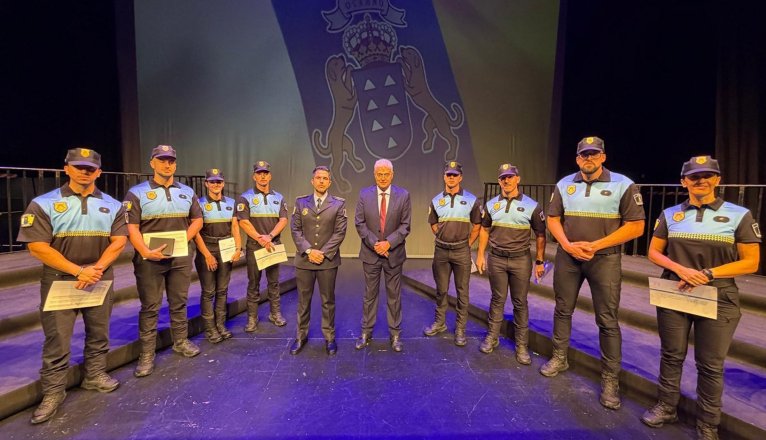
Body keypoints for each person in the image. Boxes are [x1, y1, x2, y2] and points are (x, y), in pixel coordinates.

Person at [640, 156, 760, 440]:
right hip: (675, 290)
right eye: (694, 177)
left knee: (710, 364)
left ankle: (708, 423)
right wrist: (680, 269)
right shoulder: (670, 215)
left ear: (717, 179)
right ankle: (666, 406)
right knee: (671, 355)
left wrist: (708, 273)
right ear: (684, 182)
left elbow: (751, 262)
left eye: (707, 175)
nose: (701, 181)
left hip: (718, 294)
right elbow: (654, 252)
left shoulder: (739, 215)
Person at [18, 147, 127, 424]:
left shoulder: (114, 205)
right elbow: (37, 246)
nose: (84, 172)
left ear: (99, 172)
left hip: (99, 277)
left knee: (99, 332)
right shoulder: (43, 203)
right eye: (79, 167)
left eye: (90, 168)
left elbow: (119, 242)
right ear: (66, 168)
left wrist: (95, 270)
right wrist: (79, 271)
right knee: (57, 339)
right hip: (60, 279)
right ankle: (54, 392)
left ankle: (95, 375)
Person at [540, 136, 645, 411]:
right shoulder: (564, 184)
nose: (589, 158)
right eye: (584, 154)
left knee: (607, 320)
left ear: (603, 157)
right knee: (562, 309)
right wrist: (567, 245)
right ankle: (559, 357)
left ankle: (610, 379)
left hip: (604, 259)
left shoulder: (623, 184)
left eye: (594, 154)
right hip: (568, 257)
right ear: (577, 159)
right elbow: (553, 218)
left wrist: (595, 246)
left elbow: (636, 226)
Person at [124, 145, 204, 378]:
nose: (167, 164)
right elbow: (131, 227)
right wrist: (145, 251)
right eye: (162, 160)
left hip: (180, 256)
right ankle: (147, 354)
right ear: (152, 163)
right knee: (150, 306)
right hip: (149, 258)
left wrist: (182, 240)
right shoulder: (137, 193)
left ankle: (180, 341)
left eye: (171, 161)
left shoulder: (187, 192)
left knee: (179, 301)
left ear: (175, 164)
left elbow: (197, 220)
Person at [476, 163, 546, 364]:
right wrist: (480, 255)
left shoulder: (532, 206)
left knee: (520, 302)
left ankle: (522, 345)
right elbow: (484, 230)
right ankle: (492, 337)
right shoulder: (491, 205)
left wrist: (539, 261)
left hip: (520, 260)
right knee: (497, 299)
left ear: (518, 179)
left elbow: (541, 235)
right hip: (496, 259)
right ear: (499, 181)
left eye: (510, 177)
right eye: (502, 178)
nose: (506, 180)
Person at [289, 166, 348, 355]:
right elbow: (295, 230)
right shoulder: (301, 203)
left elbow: (340, 232)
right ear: (312, 181)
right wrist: (309, 251)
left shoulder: (338, 204)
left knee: (327, 301)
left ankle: (329, 337)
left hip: (327, 261)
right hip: (304, 260)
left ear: (329, 182)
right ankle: (300, 336)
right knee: (303, 301)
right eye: (318, 178)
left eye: (325, 178)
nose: (321, 181)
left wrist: (321, 253)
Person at [354, 159, 411, 352]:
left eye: (386, 174)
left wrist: (388, 243)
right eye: (380, 174)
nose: (383, 177)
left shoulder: (403, 195)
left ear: (392, 175)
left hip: (393, 254)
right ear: (374, 174)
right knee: (369, 295)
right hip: (370, 254)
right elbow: (359, 223)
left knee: (394, 296)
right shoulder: (364, 194)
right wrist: (375, 245)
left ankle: (395, 335)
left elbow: (405, 225)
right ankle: (365, 332)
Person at [423, 161, 481, 346]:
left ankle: (460, 329)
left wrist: (467, 243)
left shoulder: (471, 200)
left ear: (460, 177)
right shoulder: (436, 200)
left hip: (461, 252)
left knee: (462, 292)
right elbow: (433, 223)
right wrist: (441, 235)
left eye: (455, 175)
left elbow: (477, 225)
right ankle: (440, 323)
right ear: (444, 177)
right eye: (449, 174)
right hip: (441, 251)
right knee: (441, 290)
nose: (451, 178)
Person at [236, 161, 289, 333]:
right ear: (254, 176)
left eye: (265, 173)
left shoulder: (279, 197)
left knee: (274, 282)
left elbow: (283, 220)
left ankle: (275, 313)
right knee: (253, 283)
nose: (263, 176)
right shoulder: (245, 197)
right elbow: (243, 222)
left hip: (273, 245)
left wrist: (270, 237)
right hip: (255, 246)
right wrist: (261, 239)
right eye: (259, 173)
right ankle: (252, 317)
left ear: (270, 176)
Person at [193, 168, 241, 343]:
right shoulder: (198, 203)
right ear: (206, 183)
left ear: (223, 183)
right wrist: (207, 255)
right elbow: (196, 233)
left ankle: (220, 325)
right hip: (207, 249)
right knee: (208, 292)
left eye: (218, 181)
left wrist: (238, 248)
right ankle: (210, 329)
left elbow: (235, 227)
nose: (216, 184)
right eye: (212, 181)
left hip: (226, 248)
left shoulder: (231, 202)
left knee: (222, 290)